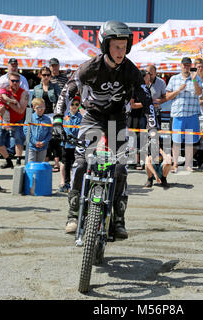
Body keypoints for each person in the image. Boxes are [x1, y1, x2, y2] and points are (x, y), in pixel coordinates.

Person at [54, 20, 158, 238]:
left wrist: (153, 129)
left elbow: (146, 100)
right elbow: (67, 90)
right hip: (92, 117)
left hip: (118, 120)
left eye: (124, 47)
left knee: (120, 169)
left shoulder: (130, 71)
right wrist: (57, 118)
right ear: (105, 46)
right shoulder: (89, 68)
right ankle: (73, 214)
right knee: (81, 163)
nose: (121, 52)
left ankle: (118, 219)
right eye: (116, 47)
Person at [165, 57, 202, 173]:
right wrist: (178, 90)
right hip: (178, 114)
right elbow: (167, 96)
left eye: (188, 65)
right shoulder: (174, 79)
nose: (186, 67)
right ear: (180, 66)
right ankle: (175, 164)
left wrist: (195, 80)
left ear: (191, 66)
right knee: (176, 141)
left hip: (192, 114)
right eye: (184, 65)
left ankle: (188, 164)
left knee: (190, 141)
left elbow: (199, 93)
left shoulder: (196, 78)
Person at [0, 72, 29, 167]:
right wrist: (1, 109)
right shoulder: (4, 91)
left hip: (17, 120)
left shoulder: (24, 93)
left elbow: (21, 110)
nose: (15, 83)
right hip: (3, 119)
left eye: (17, 81)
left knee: (18, 138)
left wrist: (8, 103)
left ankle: (18, 160)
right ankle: (8, 160)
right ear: (9, 81)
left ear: (20, 82)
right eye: (13, 81)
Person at [33, 66, 61, 171]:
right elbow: (33, 102)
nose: (46, 77)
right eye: (44, 75)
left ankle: (57, 162)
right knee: (44, 138)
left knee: (55, 139)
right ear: (40, 75)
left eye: (48, 75)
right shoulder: (36, 88)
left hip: (53, 114)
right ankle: (45, 161)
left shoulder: (55, 86)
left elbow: (60, 99)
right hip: (42, 116)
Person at [58, 96, 82, 193]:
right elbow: (65, 129)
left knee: (75, 164)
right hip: (66, 144)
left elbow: (79, 130)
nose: (74, 106)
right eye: (72, 104)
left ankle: (74, 183)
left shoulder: (81, 117)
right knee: (65, 164)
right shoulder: (65, 116)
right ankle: (65, 183)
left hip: (76, 145)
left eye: (77, 104)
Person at [128, 69, 150, 169]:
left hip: (143, 117)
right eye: (147, 77)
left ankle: (142, 161)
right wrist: (144, 104)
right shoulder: (134, 88)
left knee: (143, 139)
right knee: (134, 139)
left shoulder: (146, 88)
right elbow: (131, 105)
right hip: (134, 118)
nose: (149, 78)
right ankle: (135, 161)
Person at [24, 97, 52, 163]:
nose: (41, 110)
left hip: (43, 147)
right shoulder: (29, 117)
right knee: (31, 164)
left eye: (43, 108)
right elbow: (26, 131)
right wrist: (35, 142)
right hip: (31, 146)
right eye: (38, 108)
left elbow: (50, 133)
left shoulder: (47, 119)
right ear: (34, 108)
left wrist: (44, 142)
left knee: (40, 165)